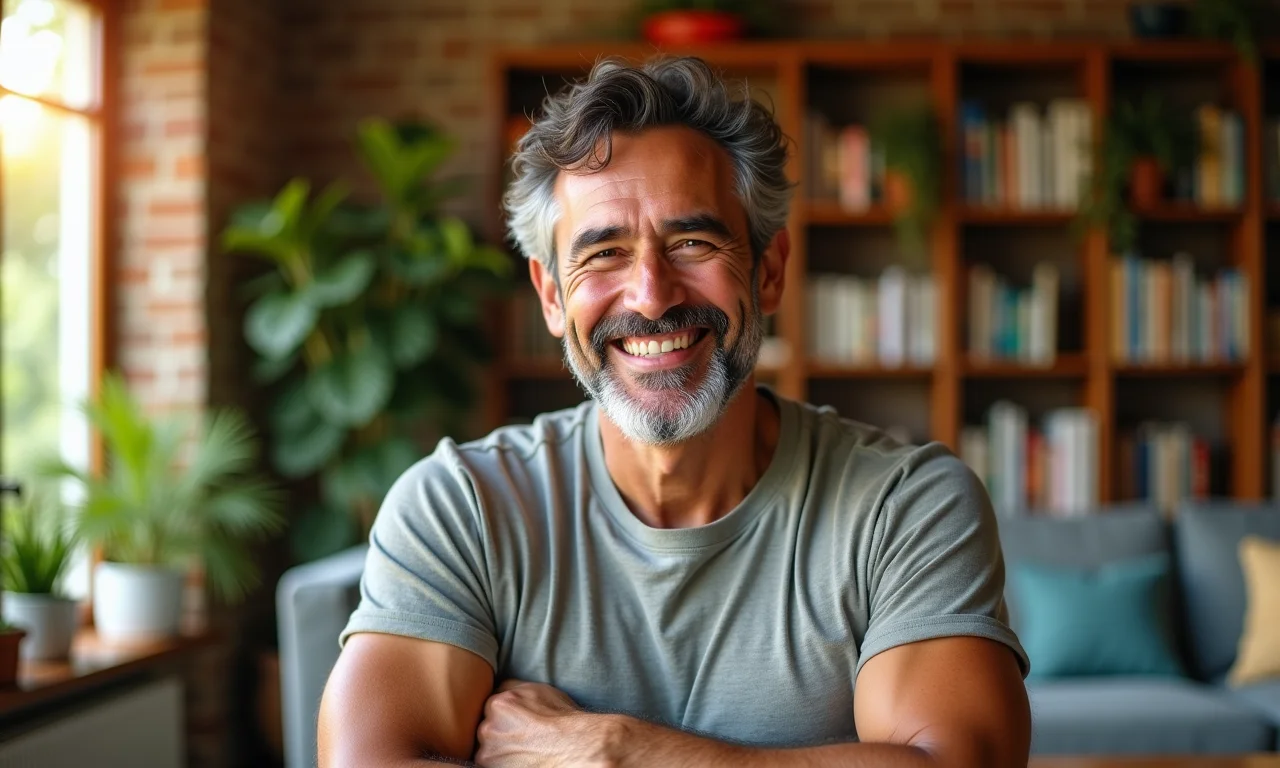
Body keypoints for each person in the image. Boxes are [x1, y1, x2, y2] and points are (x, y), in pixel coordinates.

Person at [319, 55, 1031, 768]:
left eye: (693, 243)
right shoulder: (462, 507)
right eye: (604, 253)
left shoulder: (906, 506)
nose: (652, 295)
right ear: (551, 296)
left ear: (769, 270)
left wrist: (619, 752)